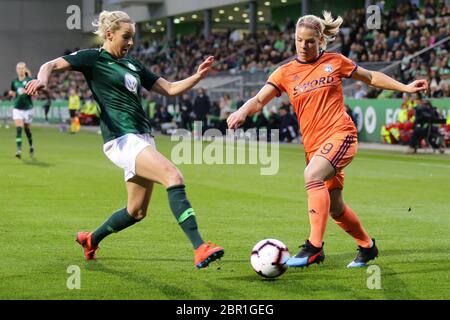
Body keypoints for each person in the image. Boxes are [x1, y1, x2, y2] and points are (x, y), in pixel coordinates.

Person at [227, 11, 428, 269]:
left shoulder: (335, 61)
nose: (303, 45)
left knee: (312, 176)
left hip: (341, 135)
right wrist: (242, 111)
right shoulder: (285, 72)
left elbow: (370, 77)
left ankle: (314, 247)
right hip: (314, 147)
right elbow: (258, 100)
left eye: (310, 41)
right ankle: (367, 247)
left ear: (321, 40)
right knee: (335, 207)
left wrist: (405, 87)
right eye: (299, 40)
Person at [26, 10, 224, 268]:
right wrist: (42, 80)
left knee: (136, 212)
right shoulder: (93, 58)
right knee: (173, 176)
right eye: (126, 37)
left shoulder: (134, 65)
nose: (131, 43)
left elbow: (171, 89)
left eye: (133, 38)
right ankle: (200, 247)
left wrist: (198, 76)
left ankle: (91, 239)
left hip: (142, 138)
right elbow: (50, 65)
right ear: (109, 35)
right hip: (121, 139)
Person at [9, 62, 34, 159]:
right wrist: (12, 93)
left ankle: (31, 146)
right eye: (19, 68)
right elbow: (13, 92)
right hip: (17, 108)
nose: (20, 70)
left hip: (28, 108)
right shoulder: (14, 81)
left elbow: (35, 92)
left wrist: (27, 91)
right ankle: (18, 150)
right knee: (19, 129)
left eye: (22, 68)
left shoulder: (29, 80)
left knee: (27, 129)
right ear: (16, 70)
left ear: (24, 69)